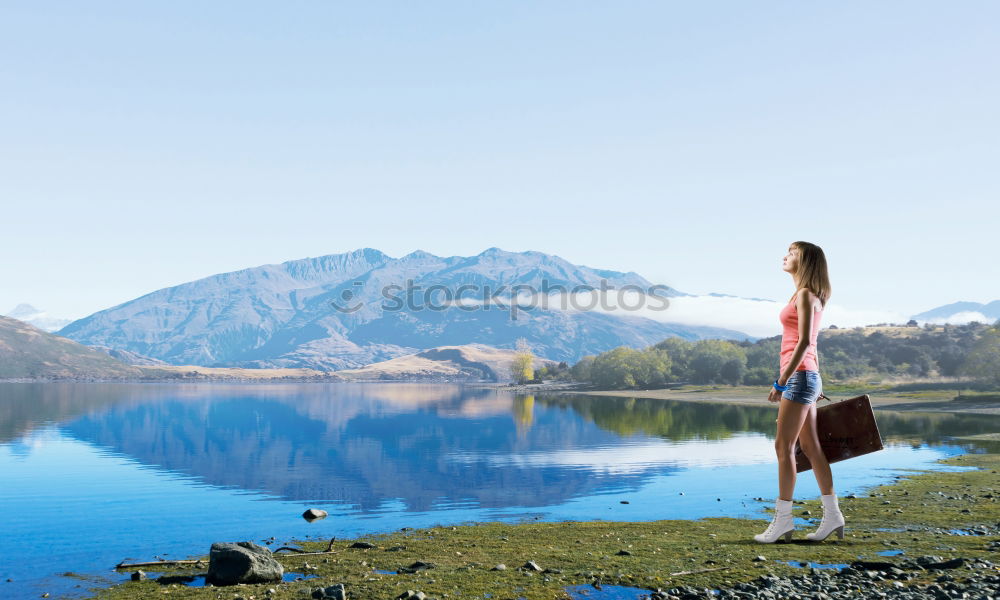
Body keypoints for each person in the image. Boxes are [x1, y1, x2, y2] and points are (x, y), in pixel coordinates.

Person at [754, 241, 845, 543]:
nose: (785, 256)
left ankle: (783, 522)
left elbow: (805, 342)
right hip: (808, 377)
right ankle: (833, 517)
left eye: (791, 253)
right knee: (811, 447)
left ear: (805, 262)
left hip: (799, 378)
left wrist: (782, 381)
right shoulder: (806, 295)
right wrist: (817, 382)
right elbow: (814, 345)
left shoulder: (805, 295)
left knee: (784, 448)